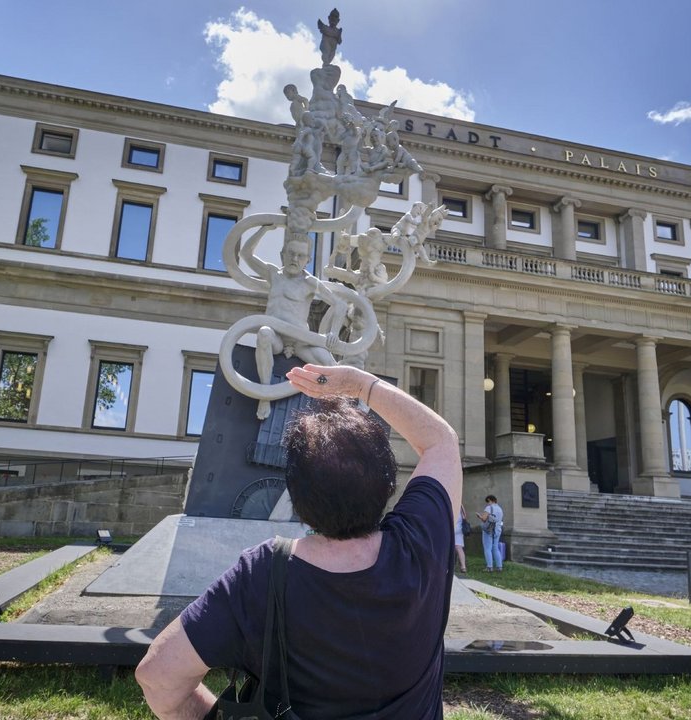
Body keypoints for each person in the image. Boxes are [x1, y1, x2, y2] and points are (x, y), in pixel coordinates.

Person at [137, 363, 462, 719]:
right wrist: (360, 384)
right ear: (388, 484)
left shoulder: (262, 575)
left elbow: (157, 678)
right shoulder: (421, 543)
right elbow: (441, 441)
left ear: (295, 495)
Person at [242, 233, 341, 419]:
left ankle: (340, 405)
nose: (295, 259)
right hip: (276, 338)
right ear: (282, 255)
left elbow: (339, 304)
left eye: (300, 255)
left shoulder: (310, 283)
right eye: (291, 253)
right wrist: (264, 229)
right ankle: (265, 395)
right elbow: (246, 254)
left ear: (308, 260)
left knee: (330, 365)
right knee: (264, 334)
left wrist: (333, 332)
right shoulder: (274, 274)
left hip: (300, 342)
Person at [477, 494, 504, 572]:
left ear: (490, 500)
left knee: (487, 548)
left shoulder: (488, 508)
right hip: (497, 530)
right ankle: (499, 567)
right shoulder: (500, 509)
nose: (487, 503)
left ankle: (489, 567)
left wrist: (479, 516)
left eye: (487, 501)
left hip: (488, 530)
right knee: (495, 548)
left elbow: (484, 519)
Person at [454, 504, 469, 574]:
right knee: (459, 548)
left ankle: (449, 565)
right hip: (459, 529)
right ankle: (463, 567)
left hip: (451, 528)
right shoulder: (460, 505)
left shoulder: (451, 502)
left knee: (448, 548)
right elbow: (464, 516)